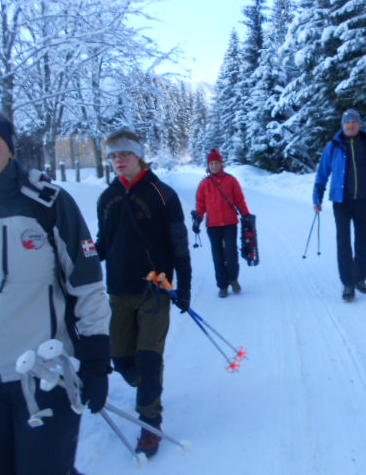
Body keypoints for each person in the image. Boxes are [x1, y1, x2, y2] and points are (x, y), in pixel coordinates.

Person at [0, 94, 111, 475]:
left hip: (43, 377)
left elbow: (86, 287)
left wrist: (97, 360)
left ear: (8, 145)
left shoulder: (47, 203)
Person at [96, 129, 191, 459]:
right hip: (119, 292)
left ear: (139, 156)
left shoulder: (163, 195)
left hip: (155, 290)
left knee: (149, 358)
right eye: (113, 156)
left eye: (124, 154)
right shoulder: (106, 198)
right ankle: (147, 387)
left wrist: (184, 289)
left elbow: (179, 246)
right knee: (122, 360)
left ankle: (150, 422)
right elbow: (103, 244)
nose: (118, 161)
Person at [313, 108, 366, 301]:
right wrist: (317, 197)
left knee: (362, 243)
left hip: (363, 201)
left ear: (360, 124)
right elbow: (323, 172)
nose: (350, 125)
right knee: (344, 243)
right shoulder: (334, 145)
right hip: (341, 202)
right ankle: (348, 283)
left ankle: (360, 279)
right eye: (347, 122)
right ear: (343, 125)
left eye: (354, 122)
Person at [192, 149, 252, 298]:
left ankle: (233, 279)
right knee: (218, 256)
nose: (214, 166)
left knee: (231, 253)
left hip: (230, 223)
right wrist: (198, 218)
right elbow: (200, 204)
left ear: (221, 164)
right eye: (211, 163)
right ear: (208, 165)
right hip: (213, 226)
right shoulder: (204, 183)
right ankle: (223, 286)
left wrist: (246, 215)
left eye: (216, 163)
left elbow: (239, 200)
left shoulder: (231, 180)